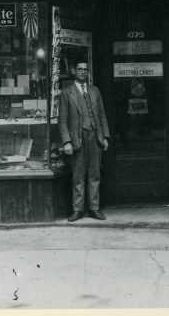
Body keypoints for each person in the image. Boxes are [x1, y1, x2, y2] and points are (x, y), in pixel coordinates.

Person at [59, 60, 110, 222]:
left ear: (88, 72)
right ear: (74, 71)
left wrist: (105, 137)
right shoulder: (67, 92)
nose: (82, 72)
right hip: (77, 138)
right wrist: (66, 141)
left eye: (85, 69)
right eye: (79, 69)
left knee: (95, 175)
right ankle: (77, 209)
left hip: (95, 136)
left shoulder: (95, 91)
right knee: (78, 175)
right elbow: (62, 120)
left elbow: (102, 115)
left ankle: (94, 209)